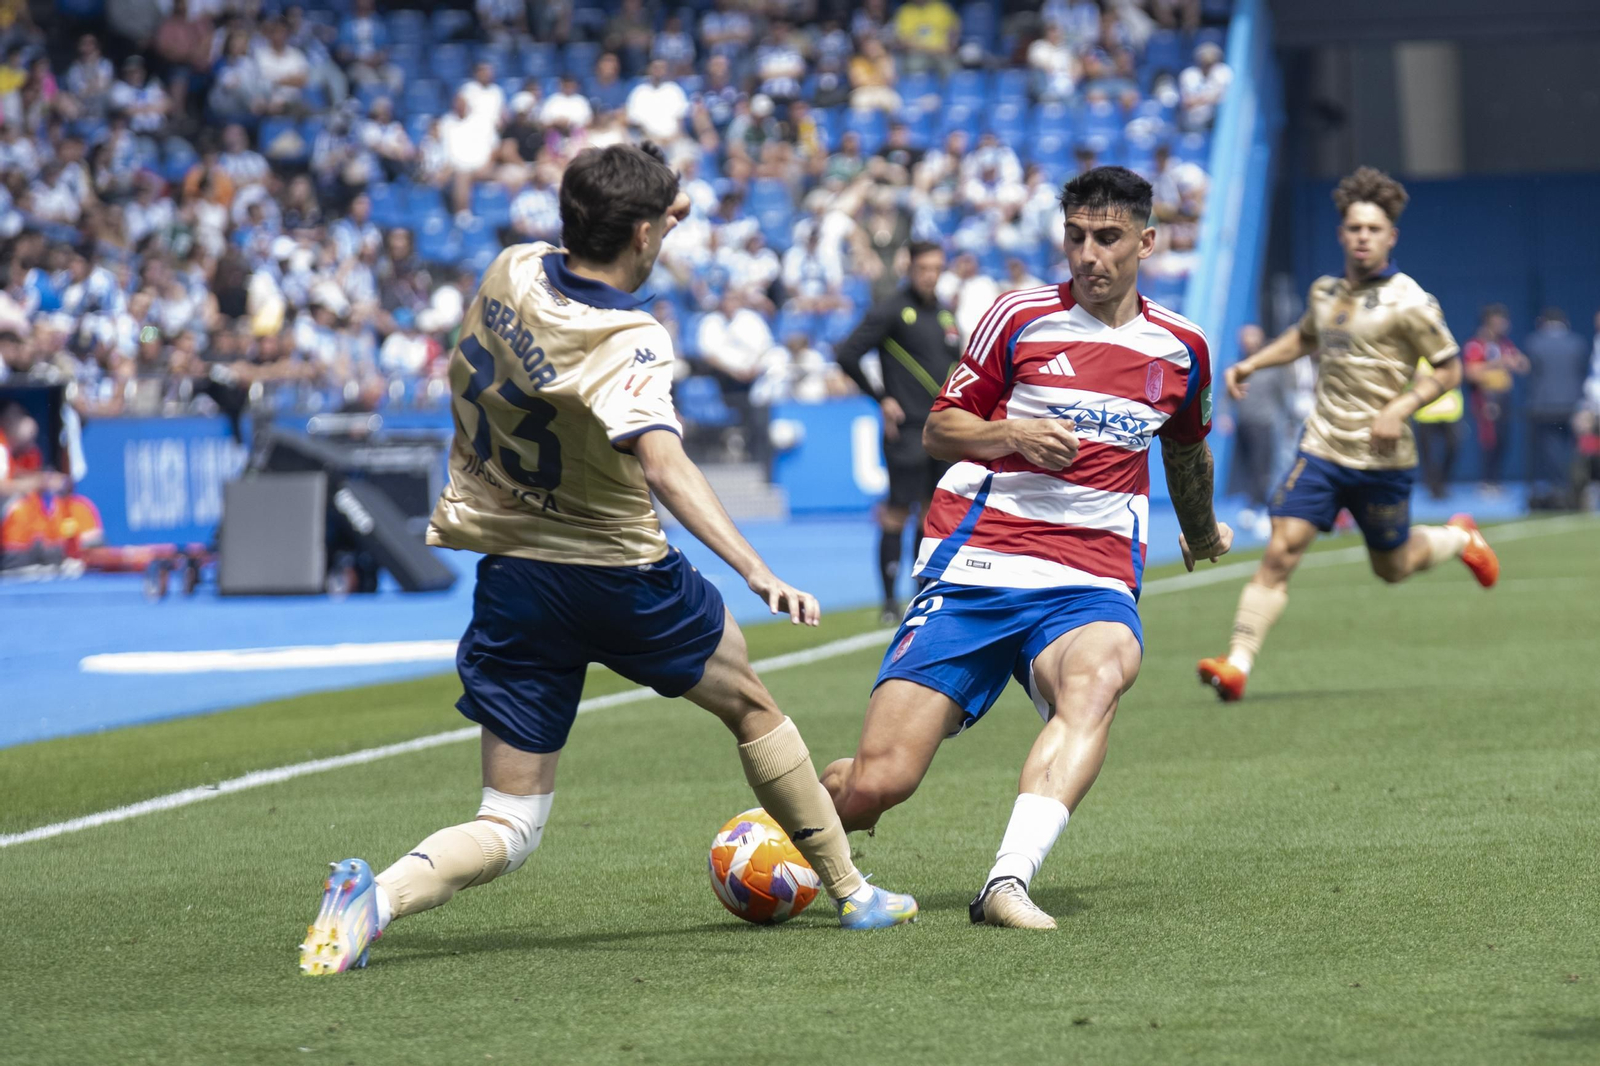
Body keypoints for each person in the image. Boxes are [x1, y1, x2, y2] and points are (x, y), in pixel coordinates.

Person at [298, 144, 918, 976]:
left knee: (509, 824)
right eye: (662, 222)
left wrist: (660, 208)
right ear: (638, 231)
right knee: (754, 710)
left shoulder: (511, 270)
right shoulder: (630, 337)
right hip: (621, 574)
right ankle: (854, 893)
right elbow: (663, 462)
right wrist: (754, 568)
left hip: (516, 574)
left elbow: (595, 262)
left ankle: (374, 903)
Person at [821, 167, 1232, 929]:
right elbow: (940, 429)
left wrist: (1202, 530)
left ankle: (1007, 881)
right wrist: (1010, 433)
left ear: (1146, 241)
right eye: (1075, 236)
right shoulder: (1017, 317)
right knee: (880, 784)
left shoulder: (1181, 348)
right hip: (980, 564)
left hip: (1091, 577)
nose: (1088, 254)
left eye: (1107, 238)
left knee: (1103, 672)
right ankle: (778, 832)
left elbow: (1186, 450)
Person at [1196, 168, 1499, 703]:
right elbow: (1303, 338)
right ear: (1341, 234)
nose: (1362, 236)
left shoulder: (1411, 301)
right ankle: (1237, 663)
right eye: (1354, 227)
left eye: (1373, 229)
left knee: (1393, 567)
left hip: (1382, 458)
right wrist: (1253, 365)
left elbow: (1449, 369)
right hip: (1322, 448)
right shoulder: (1324, 292)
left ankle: (1459, 538)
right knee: (1280, 551)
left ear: (1391, 238)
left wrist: (1401, 406)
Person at [833, 241, 962, 622]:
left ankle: (921, 594)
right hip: (905, 430)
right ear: (910, 268)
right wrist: (881, 398)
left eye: (937, 268)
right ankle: (889, 602)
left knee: (930, 513)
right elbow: (847, 353)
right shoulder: (891, 309)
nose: (931, 276)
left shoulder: (944, 315)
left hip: (941, 431)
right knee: (896, 512)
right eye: (924, 268)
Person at [1228, 323, 1295, 523]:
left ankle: (1259, 507)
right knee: (1247, 466)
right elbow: (1227, 393)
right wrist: (1225, 414)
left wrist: (1288, 419)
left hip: (1265, 422)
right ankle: (1252, 503)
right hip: (1244, 421)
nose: (1248, 343)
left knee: (1263, 467)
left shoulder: (1273, 368)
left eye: (1252, 337)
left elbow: (1283, 394)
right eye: (1245, 339)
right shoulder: (1238, 366)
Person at [1460, 304, 1527, 492]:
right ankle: (1487, 482)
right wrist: (1498, 364)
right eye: (1498, 321)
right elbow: (1471, 372)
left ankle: (1496, 481)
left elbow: (1523, 366)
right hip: (1486, 397)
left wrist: (1515, 361)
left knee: (1503, 440)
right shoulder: (1476, 344)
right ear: (1488, 323)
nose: (1503, 325)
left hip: (1504, 397)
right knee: (1490, 439)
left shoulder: (1505, 344)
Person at [1522, 308, 1590, 494]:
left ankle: (1560, 486)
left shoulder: (1534, 342)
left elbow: (1531, 371)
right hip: (1572, 404)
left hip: (1544, 405)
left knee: (1550, 449)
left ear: (1544, 322)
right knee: (1574, 448)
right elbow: (1582, 372)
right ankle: (1576, 485)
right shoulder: (1578, 342)